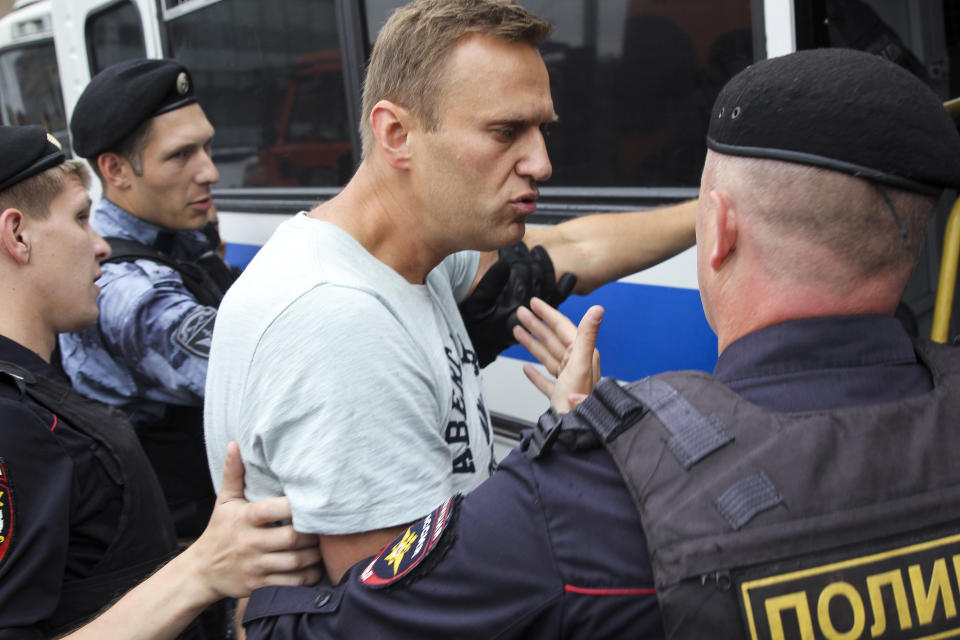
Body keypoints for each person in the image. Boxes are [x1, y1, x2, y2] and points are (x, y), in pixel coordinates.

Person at [234, 47, 960, 639]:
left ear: (722, 230)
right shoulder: (368, 298)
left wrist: (242, 590)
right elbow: (569, 248)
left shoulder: (587, 497)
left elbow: (354, 625)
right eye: (505, 131)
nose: (541, 164)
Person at [204, 0, 698, 587]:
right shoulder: (341, 324)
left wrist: (720, 206)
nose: (540, 162)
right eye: (505, 131)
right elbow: (412, 609)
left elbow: (574, 248)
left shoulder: (414, 256)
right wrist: (563, 445)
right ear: (397, 134)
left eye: (542, 129)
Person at [0, 125, 322, 639]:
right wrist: (200, 571)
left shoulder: (33, 391)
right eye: (82, 218)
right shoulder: (13, 424)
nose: (101, 245)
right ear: (18, 235)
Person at [56, 58, 236, 539]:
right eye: (180, 156)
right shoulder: (127, 290)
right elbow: (258, 364)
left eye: (207, 147)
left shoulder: (175, 234)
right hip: (185, 546)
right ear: (115, 170)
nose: (210, 172)